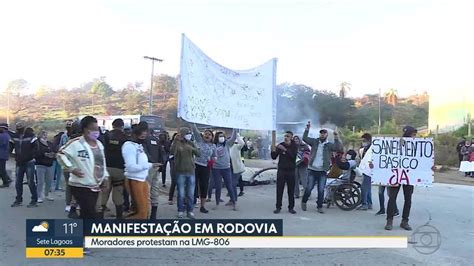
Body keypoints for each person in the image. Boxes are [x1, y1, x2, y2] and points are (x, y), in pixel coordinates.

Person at [56, 116, 109, 220]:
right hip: (80, 185)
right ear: (85, 129)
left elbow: (102, 163)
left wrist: (105, 177)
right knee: (90, 213)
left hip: (95, 185)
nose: (96, 131)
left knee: (88, 214)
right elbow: (60, 155)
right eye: (93, 129)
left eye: (97, 129)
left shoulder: (99, 144)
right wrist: (71, 168)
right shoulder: (76, 143)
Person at [385, 126, 434, 231]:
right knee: (392, 198)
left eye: (415, 135)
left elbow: (422, 160)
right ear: (407, 134)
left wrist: (429, 165)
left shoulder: (417, 146)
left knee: (408, 199)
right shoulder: (396, 144)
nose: (414, 137)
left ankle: (405, 221)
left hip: (409, 176)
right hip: (396, 175)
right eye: (413, 135)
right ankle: (389, 220)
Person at [301, 123, 342, 214]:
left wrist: (336, 137)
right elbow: (304, 139)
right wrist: (307, 129)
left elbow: (338, 147)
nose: (322, 134)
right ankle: (304, 201)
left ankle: (319, 206)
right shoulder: (314, 142)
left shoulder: (329, 145)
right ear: (319, 134)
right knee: (309, 188)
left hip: (322, 170)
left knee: (321, 189)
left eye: (324, 133)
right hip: (312, 169)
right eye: (321, 133)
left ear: (327, 135)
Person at [122, 122, 160, 219]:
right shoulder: (129, 146)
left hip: (142, 179)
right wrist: (145, 166)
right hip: (134, 180)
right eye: (142, 135)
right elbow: (131, 166)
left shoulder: (138, 146)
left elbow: (142, 162)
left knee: (145, 210)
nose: (144, 137)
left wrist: (151, 165)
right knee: (140, 211)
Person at [170, 127, 201, 219]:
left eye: (190, 133)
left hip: (191, 171)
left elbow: (198, 154)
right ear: (183, 134)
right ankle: (180, 211)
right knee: (181, 193)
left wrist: (193, 148)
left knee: (190, 193)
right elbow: (172, 152)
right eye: (187, 133)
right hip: (180, 171)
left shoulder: (191, 143)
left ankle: (190, 211)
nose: (189, 135)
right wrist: (176, 141)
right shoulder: (177, 143)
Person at [100, 118, 127, 219]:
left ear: (113, 125)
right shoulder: (125, 137)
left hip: (107, 167)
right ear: (122, 126)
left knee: (104, 192)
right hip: (119, 168)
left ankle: (100, 216)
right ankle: (119, 217)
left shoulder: (106, 135)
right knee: (118, 192)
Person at [11, 123, 38, 208]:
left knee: (30, 182)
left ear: (24, 128)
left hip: (29, 162)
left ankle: (34, 200)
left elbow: (36, 147)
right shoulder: (15, 136)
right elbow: (10, 146)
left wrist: (31, 156)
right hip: (19, 162)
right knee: (18, 182)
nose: (19, 130)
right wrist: (13, 155)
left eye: (21, 128)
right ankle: (18, 200)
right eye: (18, 128)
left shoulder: (31, 136)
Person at [191, 124, 216, 213]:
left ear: (212, 137)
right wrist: (192, 121)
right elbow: (194, 129)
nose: (207, 135)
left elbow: (214, 156)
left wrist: (212, 160)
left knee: (204, 186)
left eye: (209, 134)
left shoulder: (213, 146)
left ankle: (202, 206)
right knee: (193, 185)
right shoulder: (199, 140)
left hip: (206, 168)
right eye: (205, 134)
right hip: (196, 165)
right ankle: (191, 204)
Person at [272, 131, 298, 214]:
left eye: (288, 136)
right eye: (285, 136)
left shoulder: (294, 146)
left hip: (291, 170)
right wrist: (273, 149)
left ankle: (291, 207)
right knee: (279, 189)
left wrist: (285, 150)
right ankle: (278, 207)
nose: (286, 137)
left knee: (291, 190)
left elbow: (293, 156)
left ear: (291, 137)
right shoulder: (281, 145)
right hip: (281, 170)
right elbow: (274, 157)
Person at [211, 129, 238, 210]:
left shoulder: (227, 144)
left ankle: (233, 203)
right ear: (216, 137)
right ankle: (217, 203)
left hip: (226, 168)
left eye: (223, 136)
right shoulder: (214, 145)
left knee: (229, 186)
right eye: (220, 136)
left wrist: (235, 129)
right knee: (218, 187)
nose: (222, 138)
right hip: (216, 168)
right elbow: (211, 155)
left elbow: (233, 138)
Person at [143, 128, 164, 220]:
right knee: (155, 189)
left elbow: (145, 153)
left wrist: (151, 162)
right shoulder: (157, 140)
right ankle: (153, 214)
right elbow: (161, 153)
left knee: (146, 190)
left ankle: (146, 213)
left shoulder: (144, 141)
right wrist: (160, 165)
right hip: (157, 166)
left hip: (148, 167)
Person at [33, 131, 56, 202]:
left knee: (49, 181)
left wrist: (53, 154)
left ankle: (47, 194)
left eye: (46, 134)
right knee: (40, 181)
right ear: (39, 136)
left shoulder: (50, 143)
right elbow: (35, 153)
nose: (45, 136)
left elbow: (54, 150)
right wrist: (44, 154)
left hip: (49, 164)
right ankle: (39, 196)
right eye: (43, 135)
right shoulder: (37, 143)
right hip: (40, 164)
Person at [357, 133, 373, 211]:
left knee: (364, 187)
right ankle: (369, 203)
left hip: (369, 171)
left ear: (369, 141)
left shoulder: (372, 149)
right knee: (368, 188)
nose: (363, 142)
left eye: (364, 141)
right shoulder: (363, 149)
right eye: (362, 141)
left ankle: (364, 204)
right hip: (365, 170)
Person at [230, 133, 245, 204]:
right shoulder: (226, 147)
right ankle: (232, 199)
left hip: (237, 168)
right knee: (231, 184)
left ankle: (234, 200)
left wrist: (237, 135)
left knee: (233, 184)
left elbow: (242, 143)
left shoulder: (236, 146)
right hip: (229, 169)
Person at [167, 133, 178, 205]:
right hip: (174, 165)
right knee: (174, 182)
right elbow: (170, 155)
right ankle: (170, 198)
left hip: (181, 166)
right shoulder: (172, 145)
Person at [0, 123, 12, 188]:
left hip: (1, 154)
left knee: (1, 169)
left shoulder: (2, 136)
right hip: (4, 154)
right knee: (2, 168)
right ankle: (7, 179)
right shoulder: (7, 135)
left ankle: (6, 182)